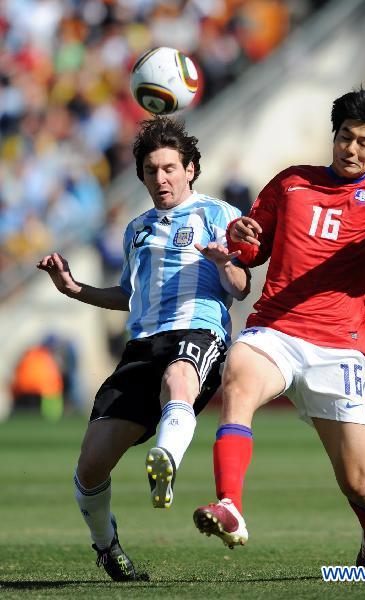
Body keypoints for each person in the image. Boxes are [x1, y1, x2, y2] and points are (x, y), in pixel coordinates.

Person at [192, 84, 365, 566]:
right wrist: (241, 237)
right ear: (333, 135)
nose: (352, 148)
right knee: (239, 375)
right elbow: (253, 248)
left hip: (338, 348)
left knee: (357, 483)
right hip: (275, 329)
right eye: (345, 137)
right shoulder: (291, 183)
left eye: (364, 142)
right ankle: (230, 505)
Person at [37, 116, 250, 582]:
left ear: (191, 169)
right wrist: (75, 289)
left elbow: (240, 285)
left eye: (171, 168)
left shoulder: (219, 214)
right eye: (152, 170)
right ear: (142, 175)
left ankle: (167, 460)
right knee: (90, 467)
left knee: (179, 378)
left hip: (199, 332)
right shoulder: (137, 228)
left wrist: (223, 261)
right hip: (141, 346)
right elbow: (128, 296)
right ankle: (108, 548)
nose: (162, 178)